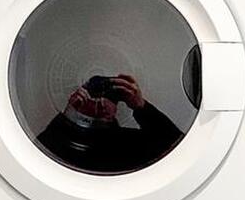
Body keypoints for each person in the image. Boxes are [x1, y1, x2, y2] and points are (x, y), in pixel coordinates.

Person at [36, 73, 184, 174]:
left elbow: (178, 151)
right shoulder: (64, 140)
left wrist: (141, 106)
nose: (99, 101)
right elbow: (39, 157)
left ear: (117, 106)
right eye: (93, 94)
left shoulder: (130, 143)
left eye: (109, 96)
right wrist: (70, 115)